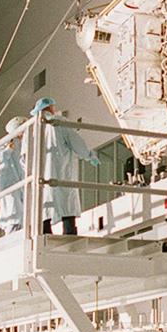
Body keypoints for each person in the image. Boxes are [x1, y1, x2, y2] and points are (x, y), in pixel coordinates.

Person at [31, 98, 100, 235]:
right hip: (61, 171)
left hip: (42, 176)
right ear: (50, 107)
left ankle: (45, 235)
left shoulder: (34, 130)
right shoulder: (59, 122)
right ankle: (69, 235)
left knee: (46, 206)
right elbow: (76, 142)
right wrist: (90, 156)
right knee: (67, 204)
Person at [0, 117, 25, 234]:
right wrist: (8, 149)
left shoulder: (24, 143)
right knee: (13, 215)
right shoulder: (6, 143)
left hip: (21, 185)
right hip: (11, 186)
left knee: (21, 215)